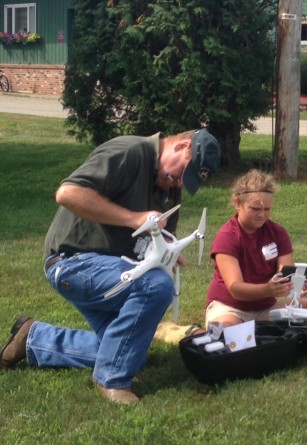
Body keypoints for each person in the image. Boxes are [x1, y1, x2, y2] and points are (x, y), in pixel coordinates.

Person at [0, 129, 221, 405]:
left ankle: (32, 338)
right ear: (181, 146)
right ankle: (111, 380)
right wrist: (133, 218)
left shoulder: (169, 190)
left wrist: (166, 252)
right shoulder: (128, 152)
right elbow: (68, 193)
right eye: (179, 175)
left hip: (113, 269)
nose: (177, 183)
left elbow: (159, 238)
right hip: (71, 262)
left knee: (130, 354)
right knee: (156, 286)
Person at [205, 169, 307, 327]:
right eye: (255, 209)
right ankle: (259, 328)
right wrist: (268, 290)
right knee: (228, 328)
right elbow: (235, 288)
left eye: (267, 209)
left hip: (267, 307)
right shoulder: (227, 237)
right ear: (237, 203)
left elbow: (284, 274)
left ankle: (261, 328)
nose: (262, 215)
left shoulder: (277, 233)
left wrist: (295, 286)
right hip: (229, 308)